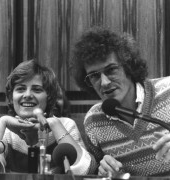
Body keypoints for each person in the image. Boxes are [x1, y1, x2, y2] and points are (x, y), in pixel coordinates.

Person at [71, 27, 170, 176]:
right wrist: (103, 170)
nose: (104, 82)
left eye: (111, 70)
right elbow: (98, 172)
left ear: (129, 65)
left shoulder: (167, 91)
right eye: (94, 76)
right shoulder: (93, 121)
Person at [0, 60, 96, 174]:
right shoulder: (6, 133)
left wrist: (54, 124)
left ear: (49, 97)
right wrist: (2, 122)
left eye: (36, 90)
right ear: (11, 97)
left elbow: (85, 171)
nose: (27, 95)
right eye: (20, 89)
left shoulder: (66, 125)